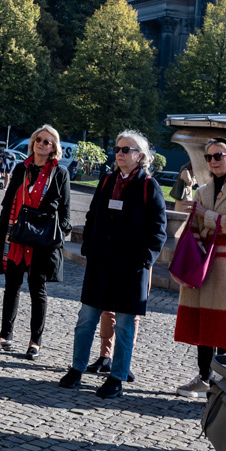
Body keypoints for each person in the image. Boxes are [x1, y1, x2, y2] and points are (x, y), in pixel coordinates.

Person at [57, 130, 166, 397]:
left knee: (126, 325)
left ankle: (116, 377)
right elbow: (93, 215)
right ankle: (76, 369)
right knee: (86, 319)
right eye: (118, 149)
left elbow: (159, 229)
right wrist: (89, 248)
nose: (120, 153)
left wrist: (144, 260)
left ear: (140, 156)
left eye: (126, 150)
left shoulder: (148, 185)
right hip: (101, 265)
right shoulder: (107, 181)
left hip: (131, 269)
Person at [172, 137, 226, 398]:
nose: (213, 161)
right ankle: (204, 377)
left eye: (218, 156)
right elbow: (196, 228)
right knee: (204, 321)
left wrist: (206, 217)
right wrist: (203, 220)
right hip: (204, 263)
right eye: (209, 157)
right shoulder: (202, 191)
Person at [0, 125, 72, 360]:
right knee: (11, 287)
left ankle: (35, 342)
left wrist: (57, 238)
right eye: (38, 140)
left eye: (47, 142)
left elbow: (65, 213)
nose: (41, 145)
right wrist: (1, 233)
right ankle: (5, 336)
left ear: (54, 148)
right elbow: (7, 202)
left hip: (41, 241)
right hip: (17, 236)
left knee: (37, 291)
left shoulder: (60, 173)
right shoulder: (21, 168)